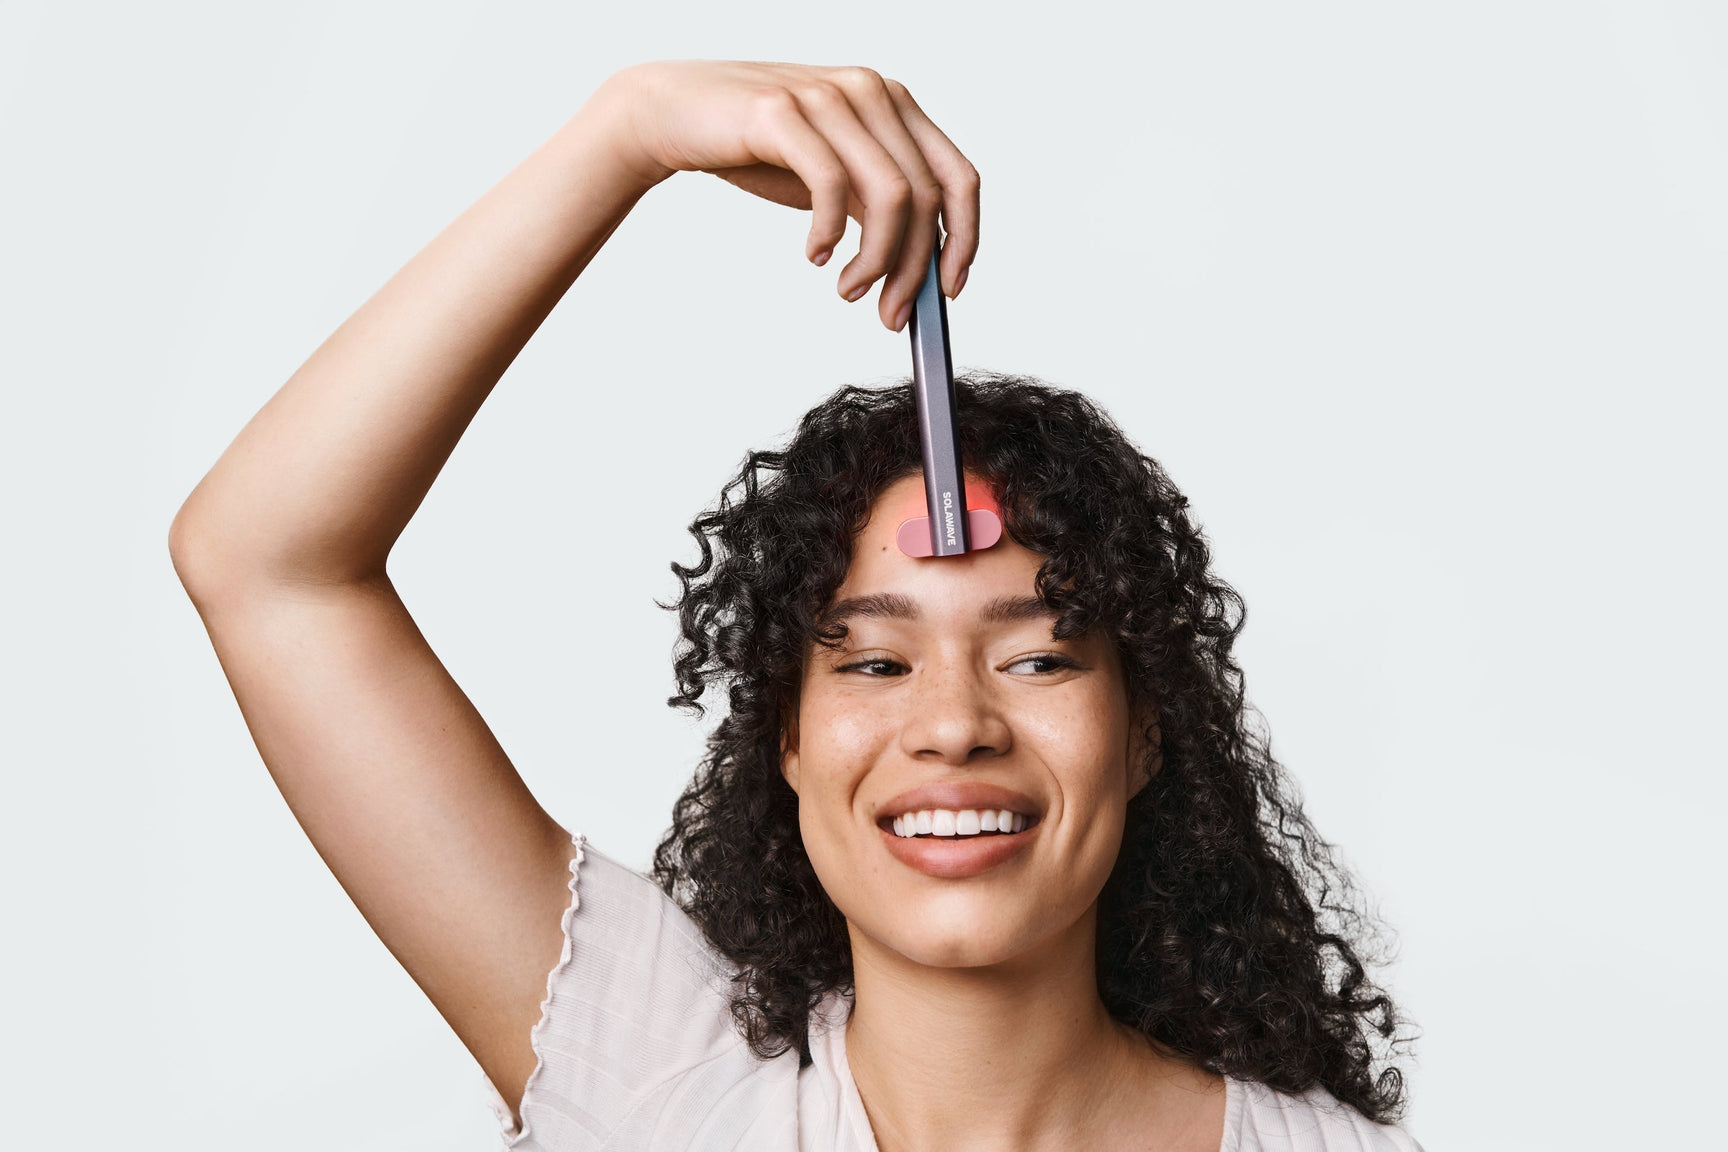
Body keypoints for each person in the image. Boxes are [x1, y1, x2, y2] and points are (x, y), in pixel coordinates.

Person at [169, 61, 1422, 1151]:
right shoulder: (666, 1083)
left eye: (1039, 659)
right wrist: (631, 130)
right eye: (875, 664)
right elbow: (265, 563)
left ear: (1146, 728)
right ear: (785, 737)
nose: (953, 725)